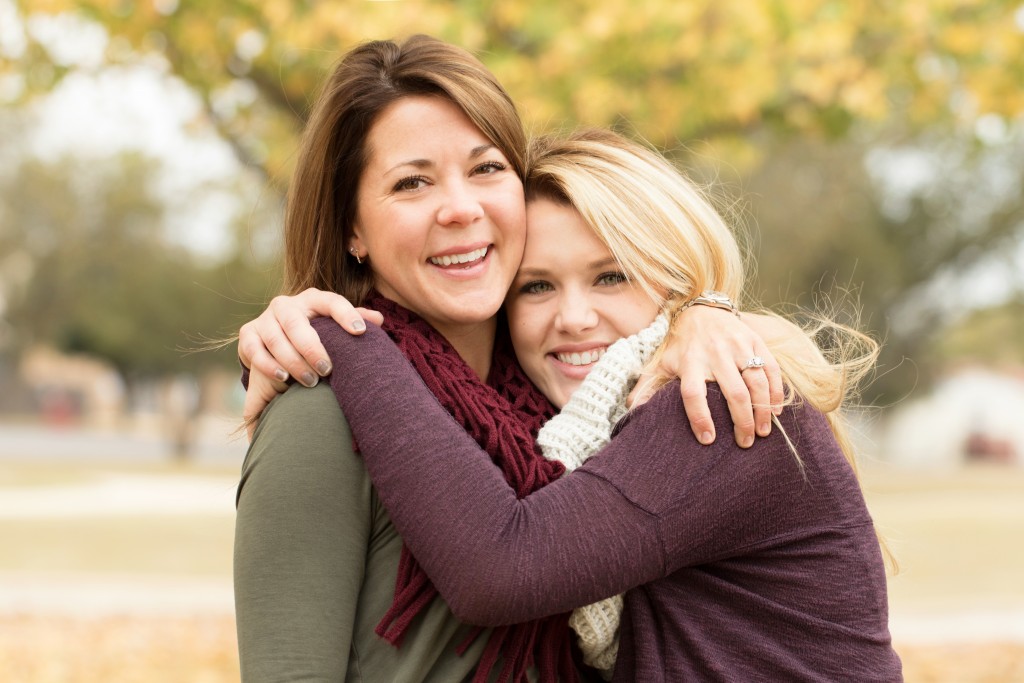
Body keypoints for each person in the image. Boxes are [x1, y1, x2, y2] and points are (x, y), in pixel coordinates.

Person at [233, 35, 783, 682]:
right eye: (412, 182)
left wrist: (702, 311)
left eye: (487, 168)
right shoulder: (320, 411)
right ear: (351, 227)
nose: (462, 208)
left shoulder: (567, 398)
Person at [285, 129, 903, 681]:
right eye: (537, 286)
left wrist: (344, 331)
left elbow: (501, 571)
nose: (574, 319)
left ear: (679, 281)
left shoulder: (716, 401)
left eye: (611, 276)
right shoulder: (576, 427)